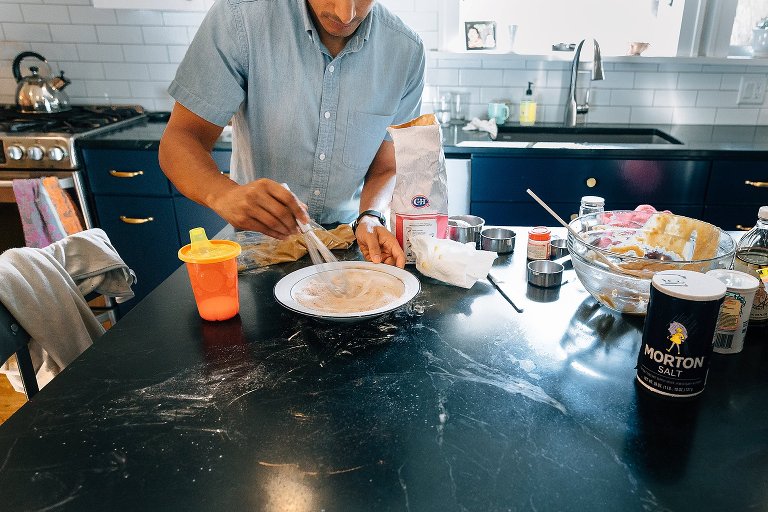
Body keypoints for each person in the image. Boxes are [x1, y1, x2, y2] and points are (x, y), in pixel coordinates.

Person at [159, 0, 426, 269]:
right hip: (260, 245)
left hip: (349, 240)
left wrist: (370, 215)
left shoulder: (406, 51)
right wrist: (222, 193)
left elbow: (387, 166)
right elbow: (181, 138)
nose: (346, 14)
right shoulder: (240, 19)